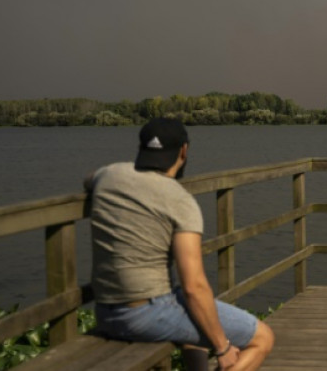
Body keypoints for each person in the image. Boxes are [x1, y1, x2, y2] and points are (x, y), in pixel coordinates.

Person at [85, 118, 274, 370]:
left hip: (105, 312)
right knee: (263, 338)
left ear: (141, 148)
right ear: (183, 151)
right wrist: (223, 347)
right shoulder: (180, 201)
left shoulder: (108, 174)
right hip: (146, 313)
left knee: (193, 320)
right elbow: (193, 286)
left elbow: (88, 180)